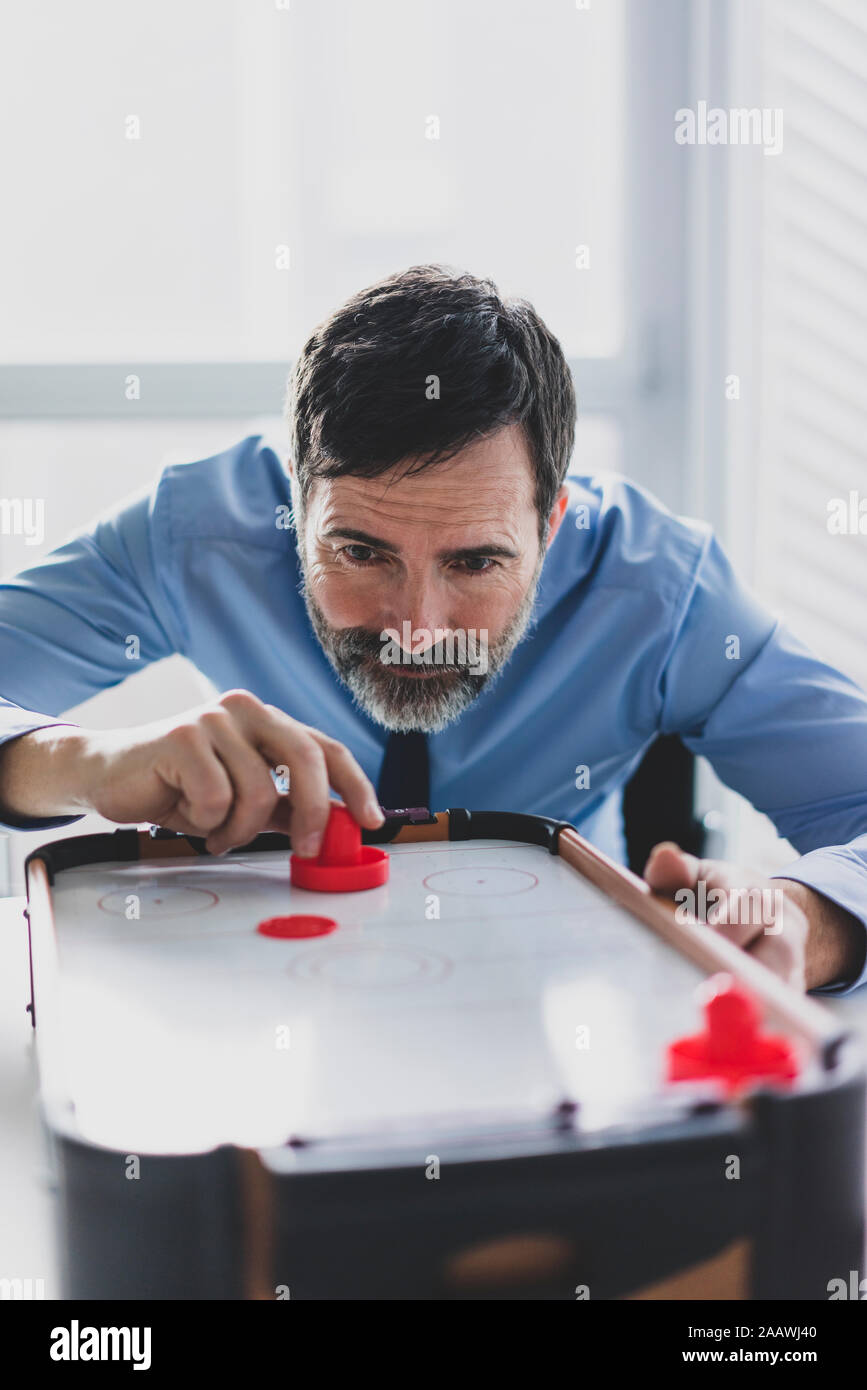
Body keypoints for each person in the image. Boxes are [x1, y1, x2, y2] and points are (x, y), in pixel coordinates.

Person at [1, 265, 865, 994]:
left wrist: (800, 918)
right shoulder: (190, 533)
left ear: (551, 525)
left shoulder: (660, 592)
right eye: (360, 551)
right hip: (248, 999)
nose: (416, 630)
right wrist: (82, 764)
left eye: (475, 563)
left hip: (555, 1012)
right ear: (294, 508)